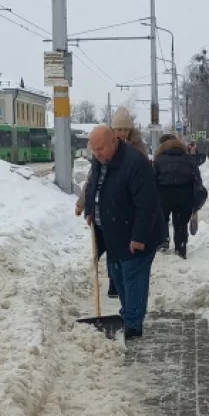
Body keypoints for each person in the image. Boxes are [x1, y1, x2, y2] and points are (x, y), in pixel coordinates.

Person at [85, 126, 164, 339]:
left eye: (100, 148)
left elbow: (146, 204)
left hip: (135, 234)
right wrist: (91, 210)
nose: (97, 153)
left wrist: (138, 237)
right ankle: (127, 315)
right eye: (94, 150)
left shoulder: (134, 164)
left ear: (114, 141)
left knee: (133, 276)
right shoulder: (101, 161)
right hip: (113, 232)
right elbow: (94, 186)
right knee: (118, 274)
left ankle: (133, 325)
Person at [76, 108, 149, 295]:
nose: (123, 133)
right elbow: (93, 180)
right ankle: (114, 283)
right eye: (119, 129)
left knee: (128, 253)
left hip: (128, 208)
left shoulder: (138, 149)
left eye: (126, 129)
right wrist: (84, 203)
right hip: (109, 209)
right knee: (111, 248)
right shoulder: (103, 149)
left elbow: (145, 184)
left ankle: (126, 287)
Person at [154, 133, 208, 260]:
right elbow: (196, 179)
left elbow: (153, 179)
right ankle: (180, 247)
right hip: (184, 195)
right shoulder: (188, 158)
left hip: (163, 195)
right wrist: (197, 199)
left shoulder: (159, 159)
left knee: (162, 220)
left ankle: (163, 242)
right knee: (180, 224)